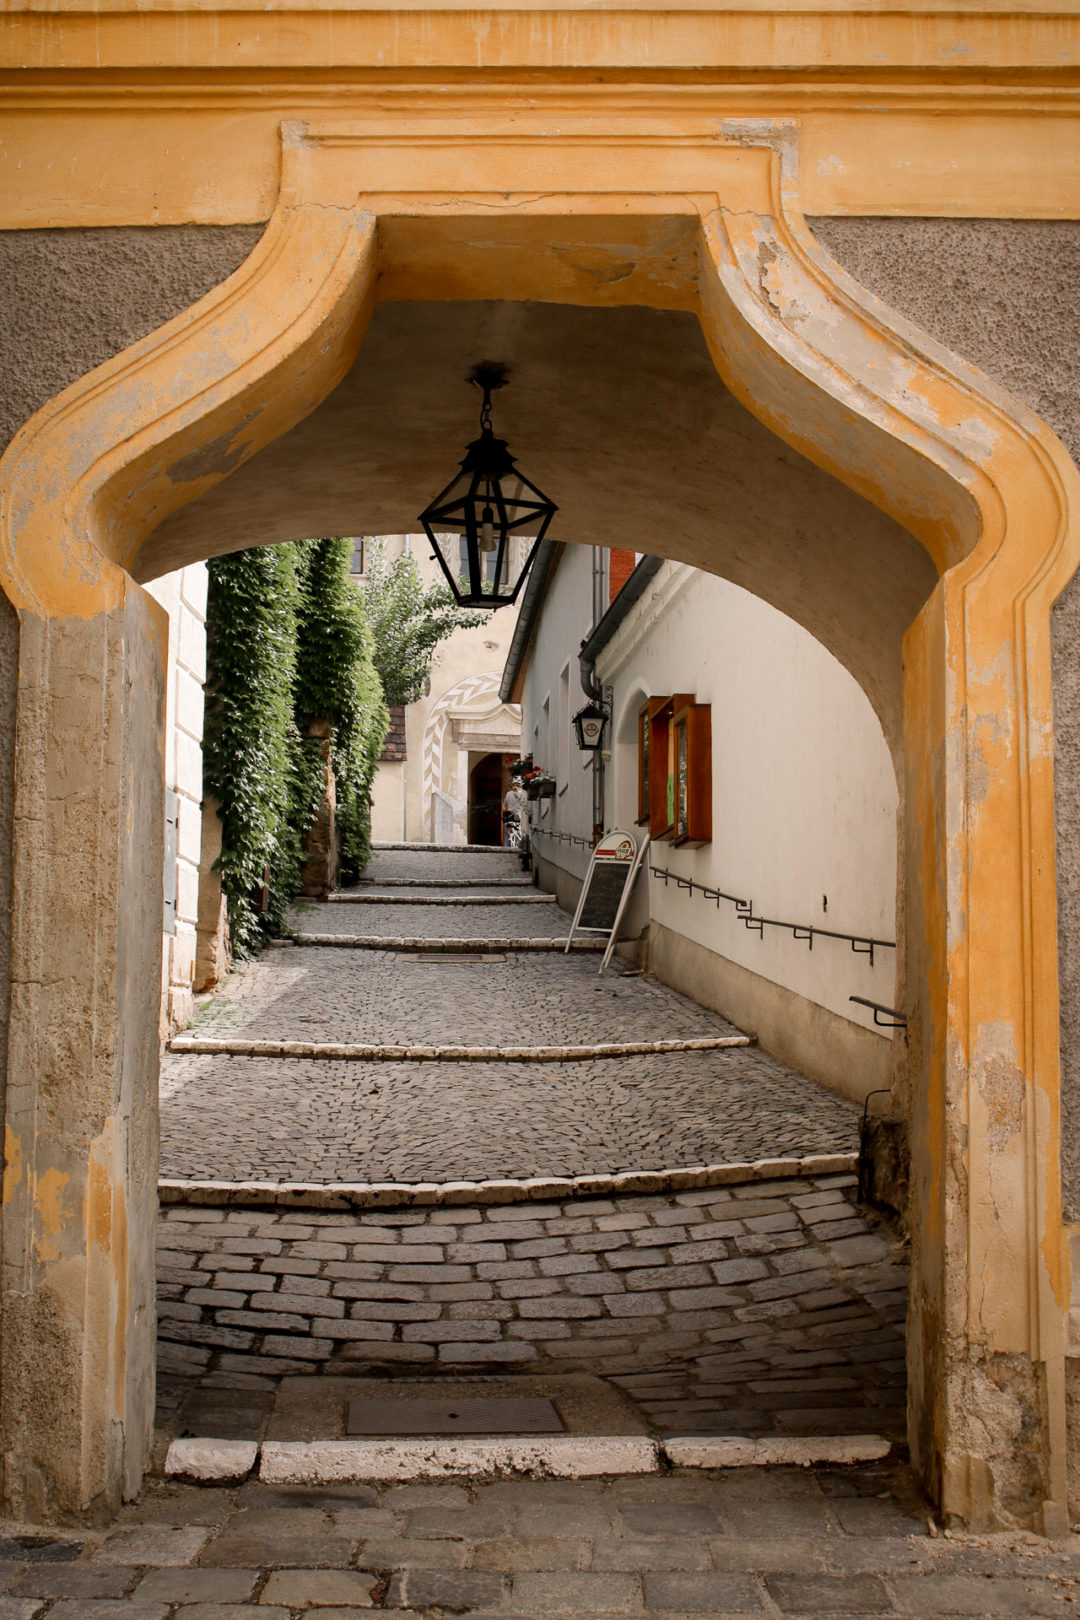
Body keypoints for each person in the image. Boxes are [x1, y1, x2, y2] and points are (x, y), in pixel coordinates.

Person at [502, 777, 527, 847]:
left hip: (509, 816)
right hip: (518, 817)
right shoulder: (522, 793)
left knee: (507, 833)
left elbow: (504, 807)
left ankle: (506, 847)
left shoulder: (508, 793)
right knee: (519, 832)